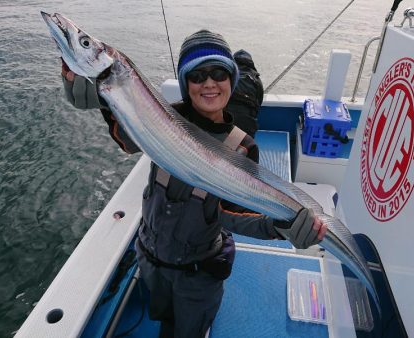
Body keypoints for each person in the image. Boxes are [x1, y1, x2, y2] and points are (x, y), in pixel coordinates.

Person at [62, 29, 327, 338]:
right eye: (198, 75)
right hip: (150, 259)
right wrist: (92, 91)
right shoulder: (163, 117)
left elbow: (233, 214)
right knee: (161, 316)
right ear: (186, 83)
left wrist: (281, 226)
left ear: (232, 80)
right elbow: (128, 139)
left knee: (189, 329)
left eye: (219, 72)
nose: (209, 82)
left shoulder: (241, 146)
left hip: (197, 277)